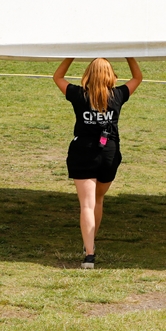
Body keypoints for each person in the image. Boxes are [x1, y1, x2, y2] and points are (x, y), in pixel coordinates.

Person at [53, 57, 143, 269]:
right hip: (109, 152)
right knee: (98, 200)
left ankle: (90, 253)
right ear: (110, 75)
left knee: (87, 203)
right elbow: (138, 77)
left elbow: (57, 77)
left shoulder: (78, 94)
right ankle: (90, 243)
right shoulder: (118, 95)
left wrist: (70, 56)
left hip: (83, 151)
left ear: (88, 75)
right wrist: (130, 56)